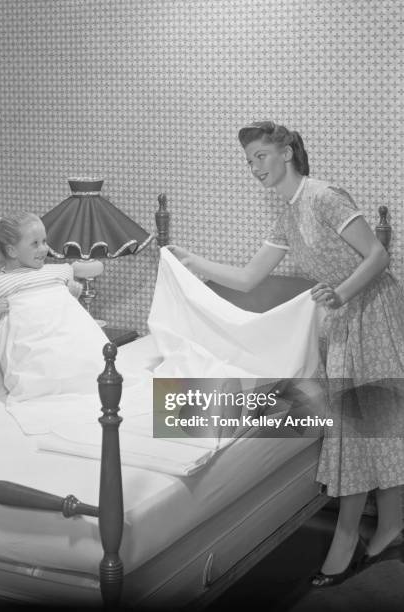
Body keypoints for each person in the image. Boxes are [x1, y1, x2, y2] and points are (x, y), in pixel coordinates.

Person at [168, 121, 404, 587]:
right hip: (342, 320)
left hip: (373, 315)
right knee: (370, 429)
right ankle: (390, 528)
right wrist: (190, 261)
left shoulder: (324, 196)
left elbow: (377, 255)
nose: (254, 167)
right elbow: (249, 279)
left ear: (287, 154)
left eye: (260, 156)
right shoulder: (286, 213)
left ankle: (352, 534)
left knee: (366, 429)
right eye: (249, 160)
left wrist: (340, 292)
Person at [0, 211, 83, 402]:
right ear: (12, 251)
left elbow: (57, 328)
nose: (44, 249)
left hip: (45, 367)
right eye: (35, 243)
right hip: (6, 374)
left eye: (45, 241)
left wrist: (70, 298)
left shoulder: (50, 280)